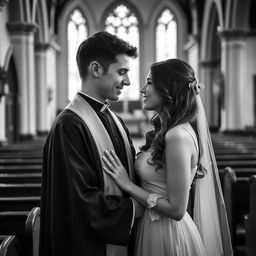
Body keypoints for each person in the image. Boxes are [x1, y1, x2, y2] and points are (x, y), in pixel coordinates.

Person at [102, 59, 233, 256]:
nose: (143, 89)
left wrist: (127, 185)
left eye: (150, 82)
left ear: (168, 88)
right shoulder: (168, 131)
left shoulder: (177, 136)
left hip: (168, 237)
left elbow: (177, 210)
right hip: (152, 228)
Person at [39, 31, 143, 256]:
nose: (127, 81)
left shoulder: (114, 119)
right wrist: (135, 209)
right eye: (122, 72)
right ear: (96, 69)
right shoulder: (69, 125)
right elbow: (79, 199)